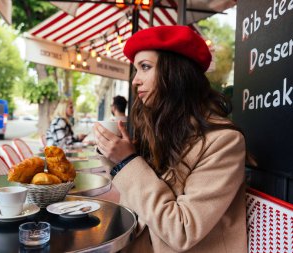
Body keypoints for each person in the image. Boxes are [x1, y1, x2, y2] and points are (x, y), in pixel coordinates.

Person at [94, 25, 247, 253]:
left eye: (145, 67)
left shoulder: (224, 143)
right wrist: (113, 154)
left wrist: (127, 162)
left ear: (176, 74)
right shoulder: (162, 130)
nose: (135, 81)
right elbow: (135, 198)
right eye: (136, 70)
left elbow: (182, 231)